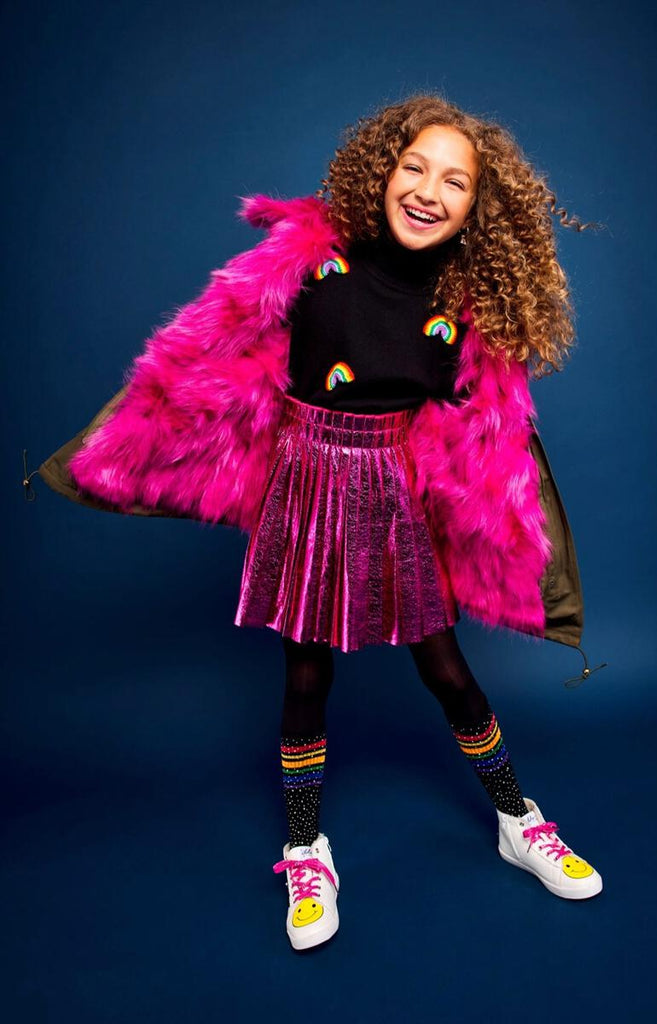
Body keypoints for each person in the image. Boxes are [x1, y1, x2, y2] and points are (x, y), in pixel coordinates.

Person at [28, 93, 606, 952]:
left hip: (395, 495)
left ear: (476, 209)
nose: (427, 190)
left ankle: (517, 821)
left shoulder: (468, 309)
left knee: (448, 672)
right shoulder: (310, 262)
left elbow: (483, 439)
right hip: (303, 488)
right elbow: (212, 353)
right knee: (305, 676)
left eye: (454, 181)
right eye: (414, 167)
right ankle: (305, 849)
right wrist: (129, 444)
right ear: (381, 171)